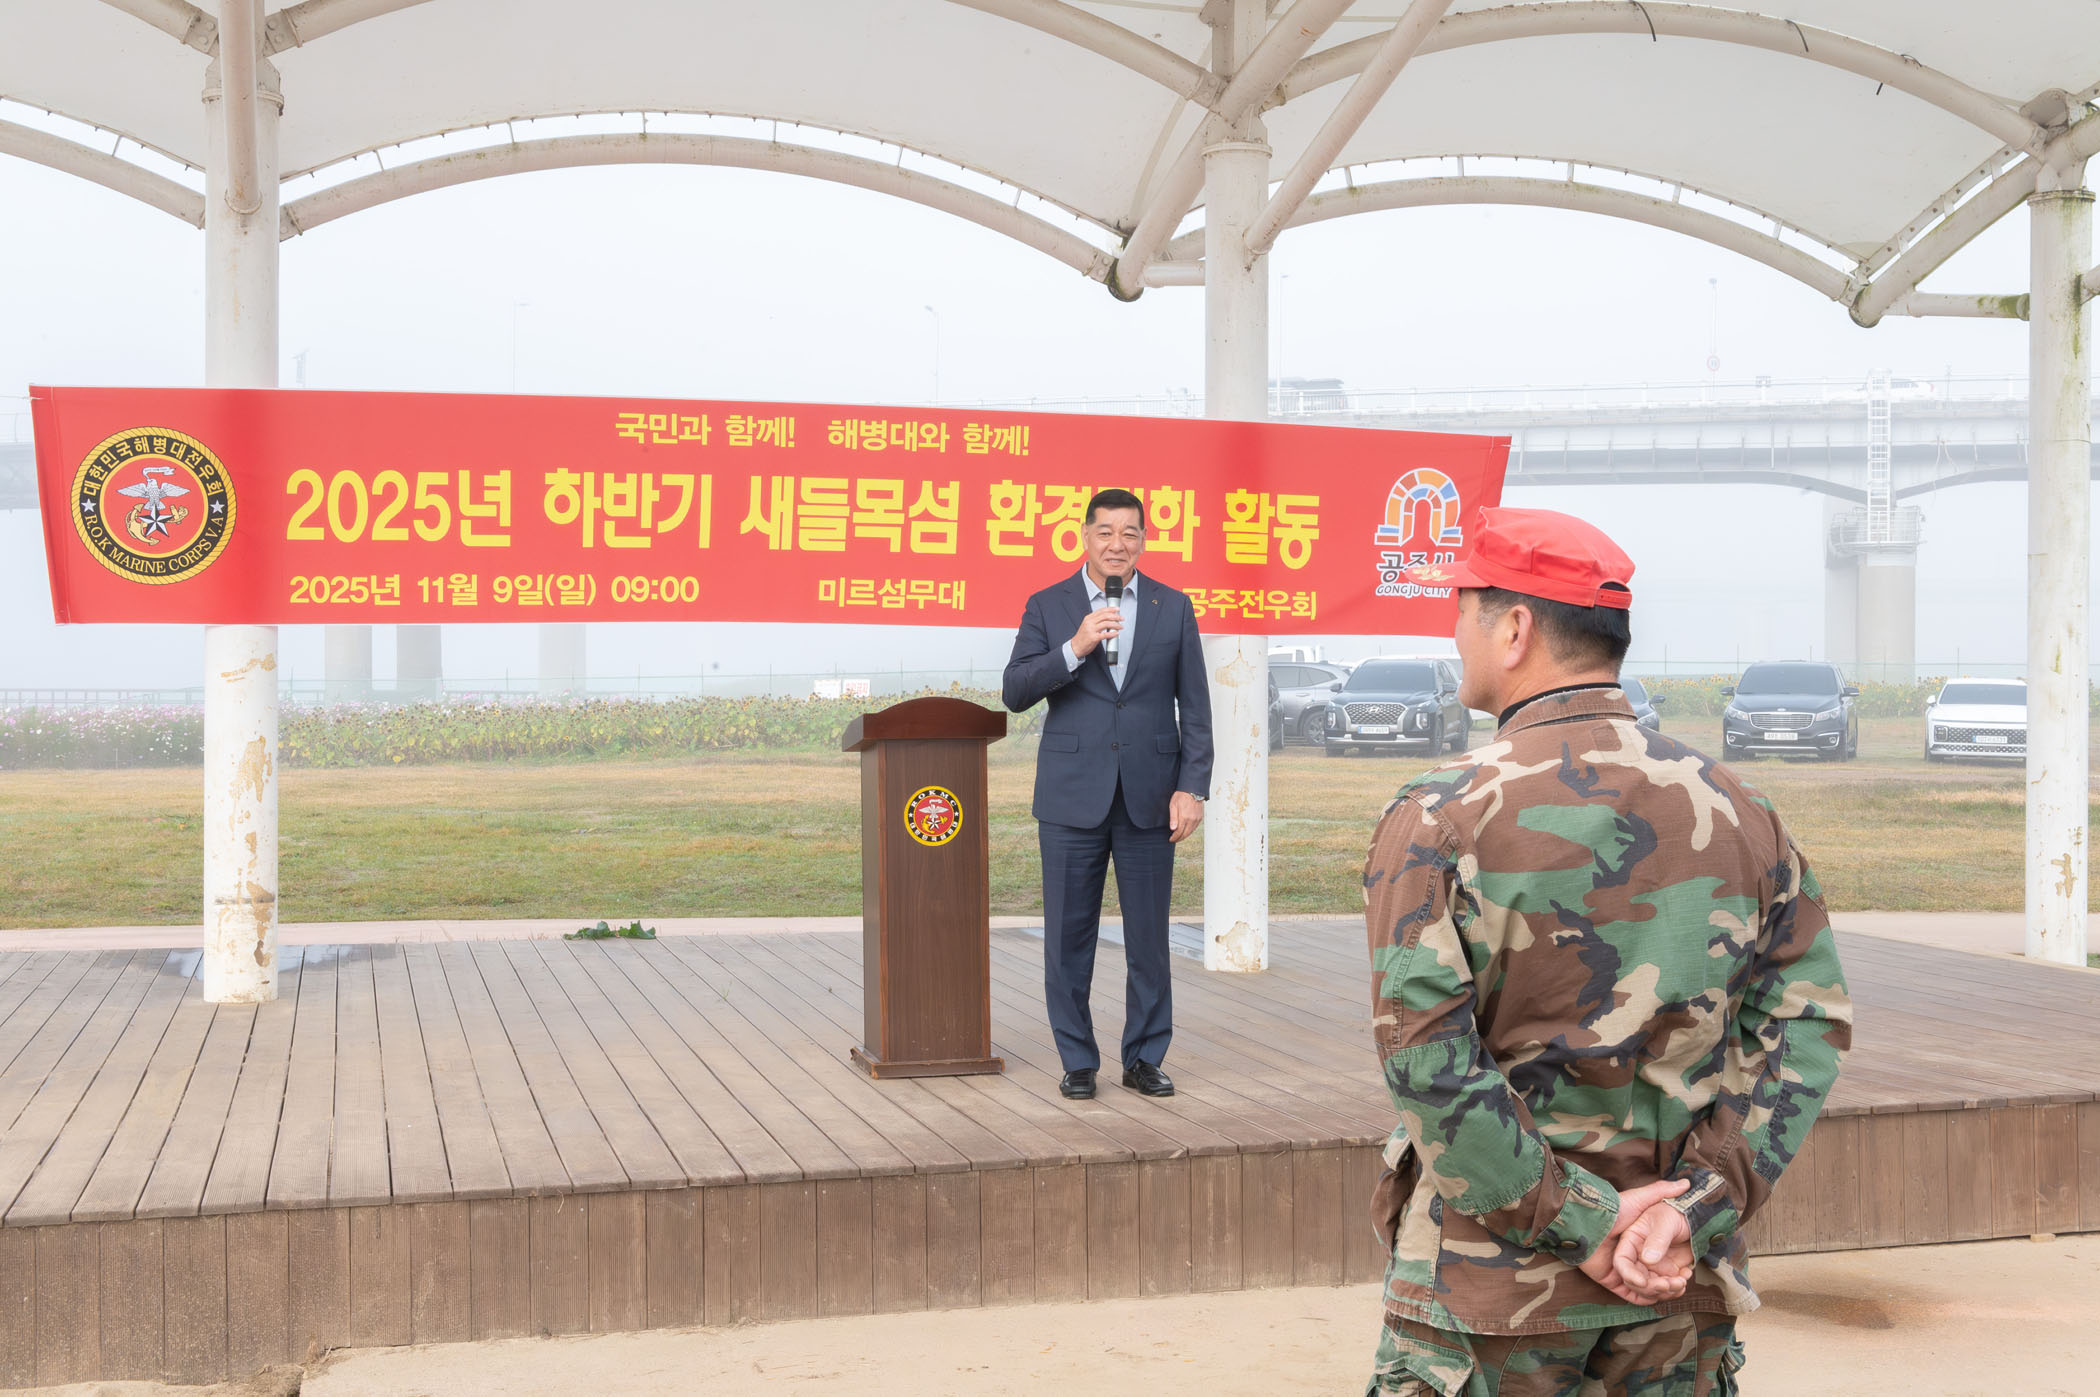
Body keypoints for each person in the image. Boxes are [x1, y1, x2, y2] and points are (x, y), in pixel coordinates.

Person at [1360, 506, 1852, 1396]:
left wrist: (1581, 1222)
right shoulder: (1741, 808)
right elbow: (1805, 1025)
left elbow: (1426, 1055)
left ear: (1514, 629)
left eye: (1462, 610)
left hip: (1491, 1303)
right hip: (1673, 1287)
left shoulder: (1440, 814)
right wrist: (1693, 1208)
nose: (1454, 633)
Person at [1002, 487, 1213, 1101]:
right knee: (1069, 938)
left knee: (1149, 939)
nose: (1117, 544)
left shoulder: (1173, 607)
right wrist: (1075, 647)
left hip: (1151, 795)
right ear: (1085, 537)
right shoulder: (1049, 605)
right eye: (1106, 532)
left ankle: (1144, 1057)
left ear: (1143, 540)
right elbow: (1015, 691)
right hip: (1072, 797)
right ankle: (1077, 1060)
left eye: (1130, 533)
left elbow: (1196, 707)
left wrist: (1192, 787)